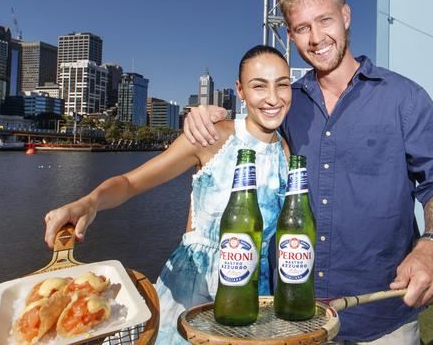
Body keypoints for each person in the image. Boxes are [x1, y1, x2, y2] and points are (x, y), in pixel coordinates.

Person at [182, 0, 433, 343]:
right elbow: (239, 134)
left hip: (381, 319)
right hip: (291, 319)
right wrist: (205, 117)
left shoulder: (404, 98)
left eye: (325, 20)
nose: (316, 38)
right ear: (291, 34)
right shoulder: (285, 104)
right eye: (302, 28)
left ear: (346, 16)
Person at [43, 45, 292, 344]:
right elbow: (131, 182)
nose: (273, 97)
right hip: (192, 291)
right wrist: (90, 201)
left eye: (282, 84)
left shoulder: (285, 152)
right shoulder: (211, 136)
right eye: (259, 86)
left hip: (254, 291)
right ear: (240, 90)